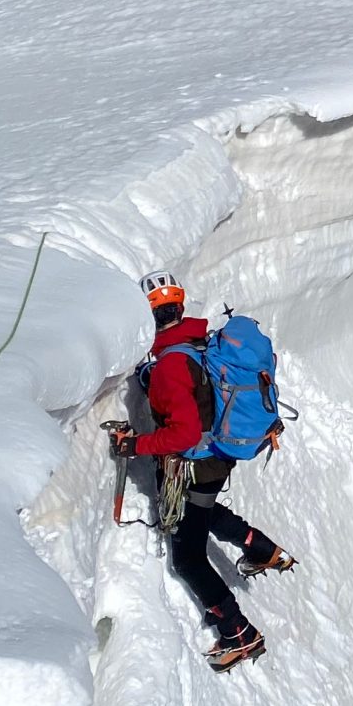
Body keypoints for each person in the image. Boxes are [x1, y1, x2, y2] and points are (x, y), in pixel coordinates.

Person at [107, 272, 295, 671]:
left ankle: (238, 633)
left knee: (188, 559)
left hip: (195, 464)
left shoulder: (170, 366)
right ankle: (261, 550)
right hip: (215, 458)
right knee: (203, 514)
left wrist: (134, 444)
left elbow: (183, 432)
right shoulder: (195, 341)